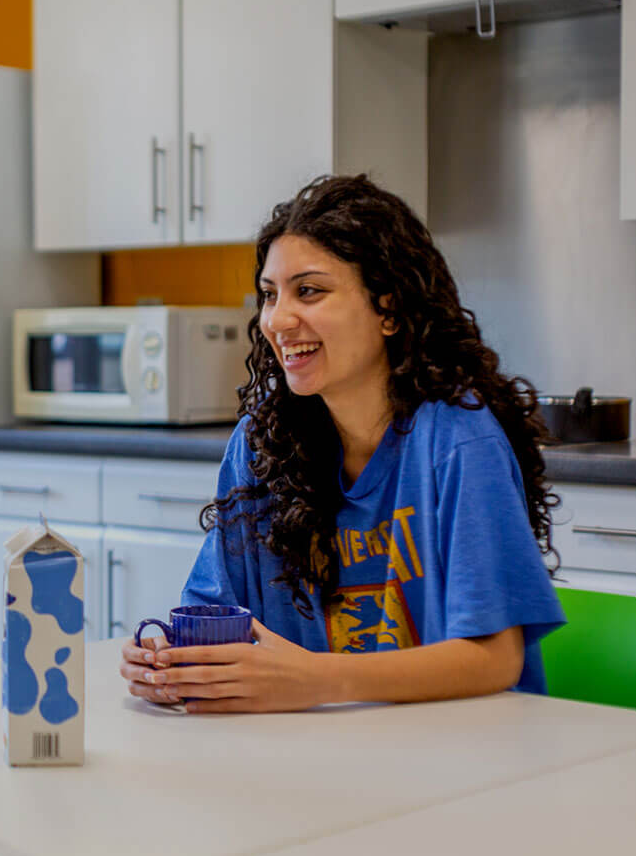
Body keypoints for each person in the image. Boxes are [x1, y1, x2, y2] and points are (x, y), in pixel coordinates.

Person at [120, 174, 565, 713]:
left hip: (464, 755)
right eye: (269, 295)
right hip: (321, 758)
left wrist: (315, 679)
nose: (277, 320)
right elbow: (217, 620)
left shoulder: (457, 441)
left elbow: (494, 660)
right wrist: (170, 660)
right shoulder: (260, 446)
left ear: (389, 309)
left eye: (309, 290)